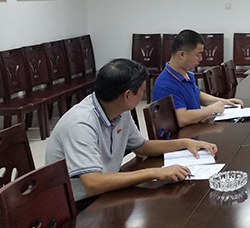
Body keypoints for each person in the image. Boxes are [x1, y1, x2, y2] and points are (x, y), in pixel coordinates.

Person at [46, 58, 218, 205]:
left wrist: (185, 143)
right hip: (77, 205)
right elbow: (93, 184)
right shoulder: (81, 124)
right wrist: (155, 172)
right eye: (142, 90)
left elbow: (141, 147)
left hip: (106, 191)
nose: (144, 94)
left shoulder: (120, 110)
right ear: (128, 95)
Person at [152, 29, 243, 127]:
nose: (201, 59)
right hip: (182, 134)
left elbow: (196, 94)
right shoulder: (166, 84)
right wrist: (211, 109)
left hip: (193, 127)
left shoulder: (186, 74)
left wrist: (223, 102)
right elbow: (182, 118)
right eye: (198, 55)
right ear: (182, 55)